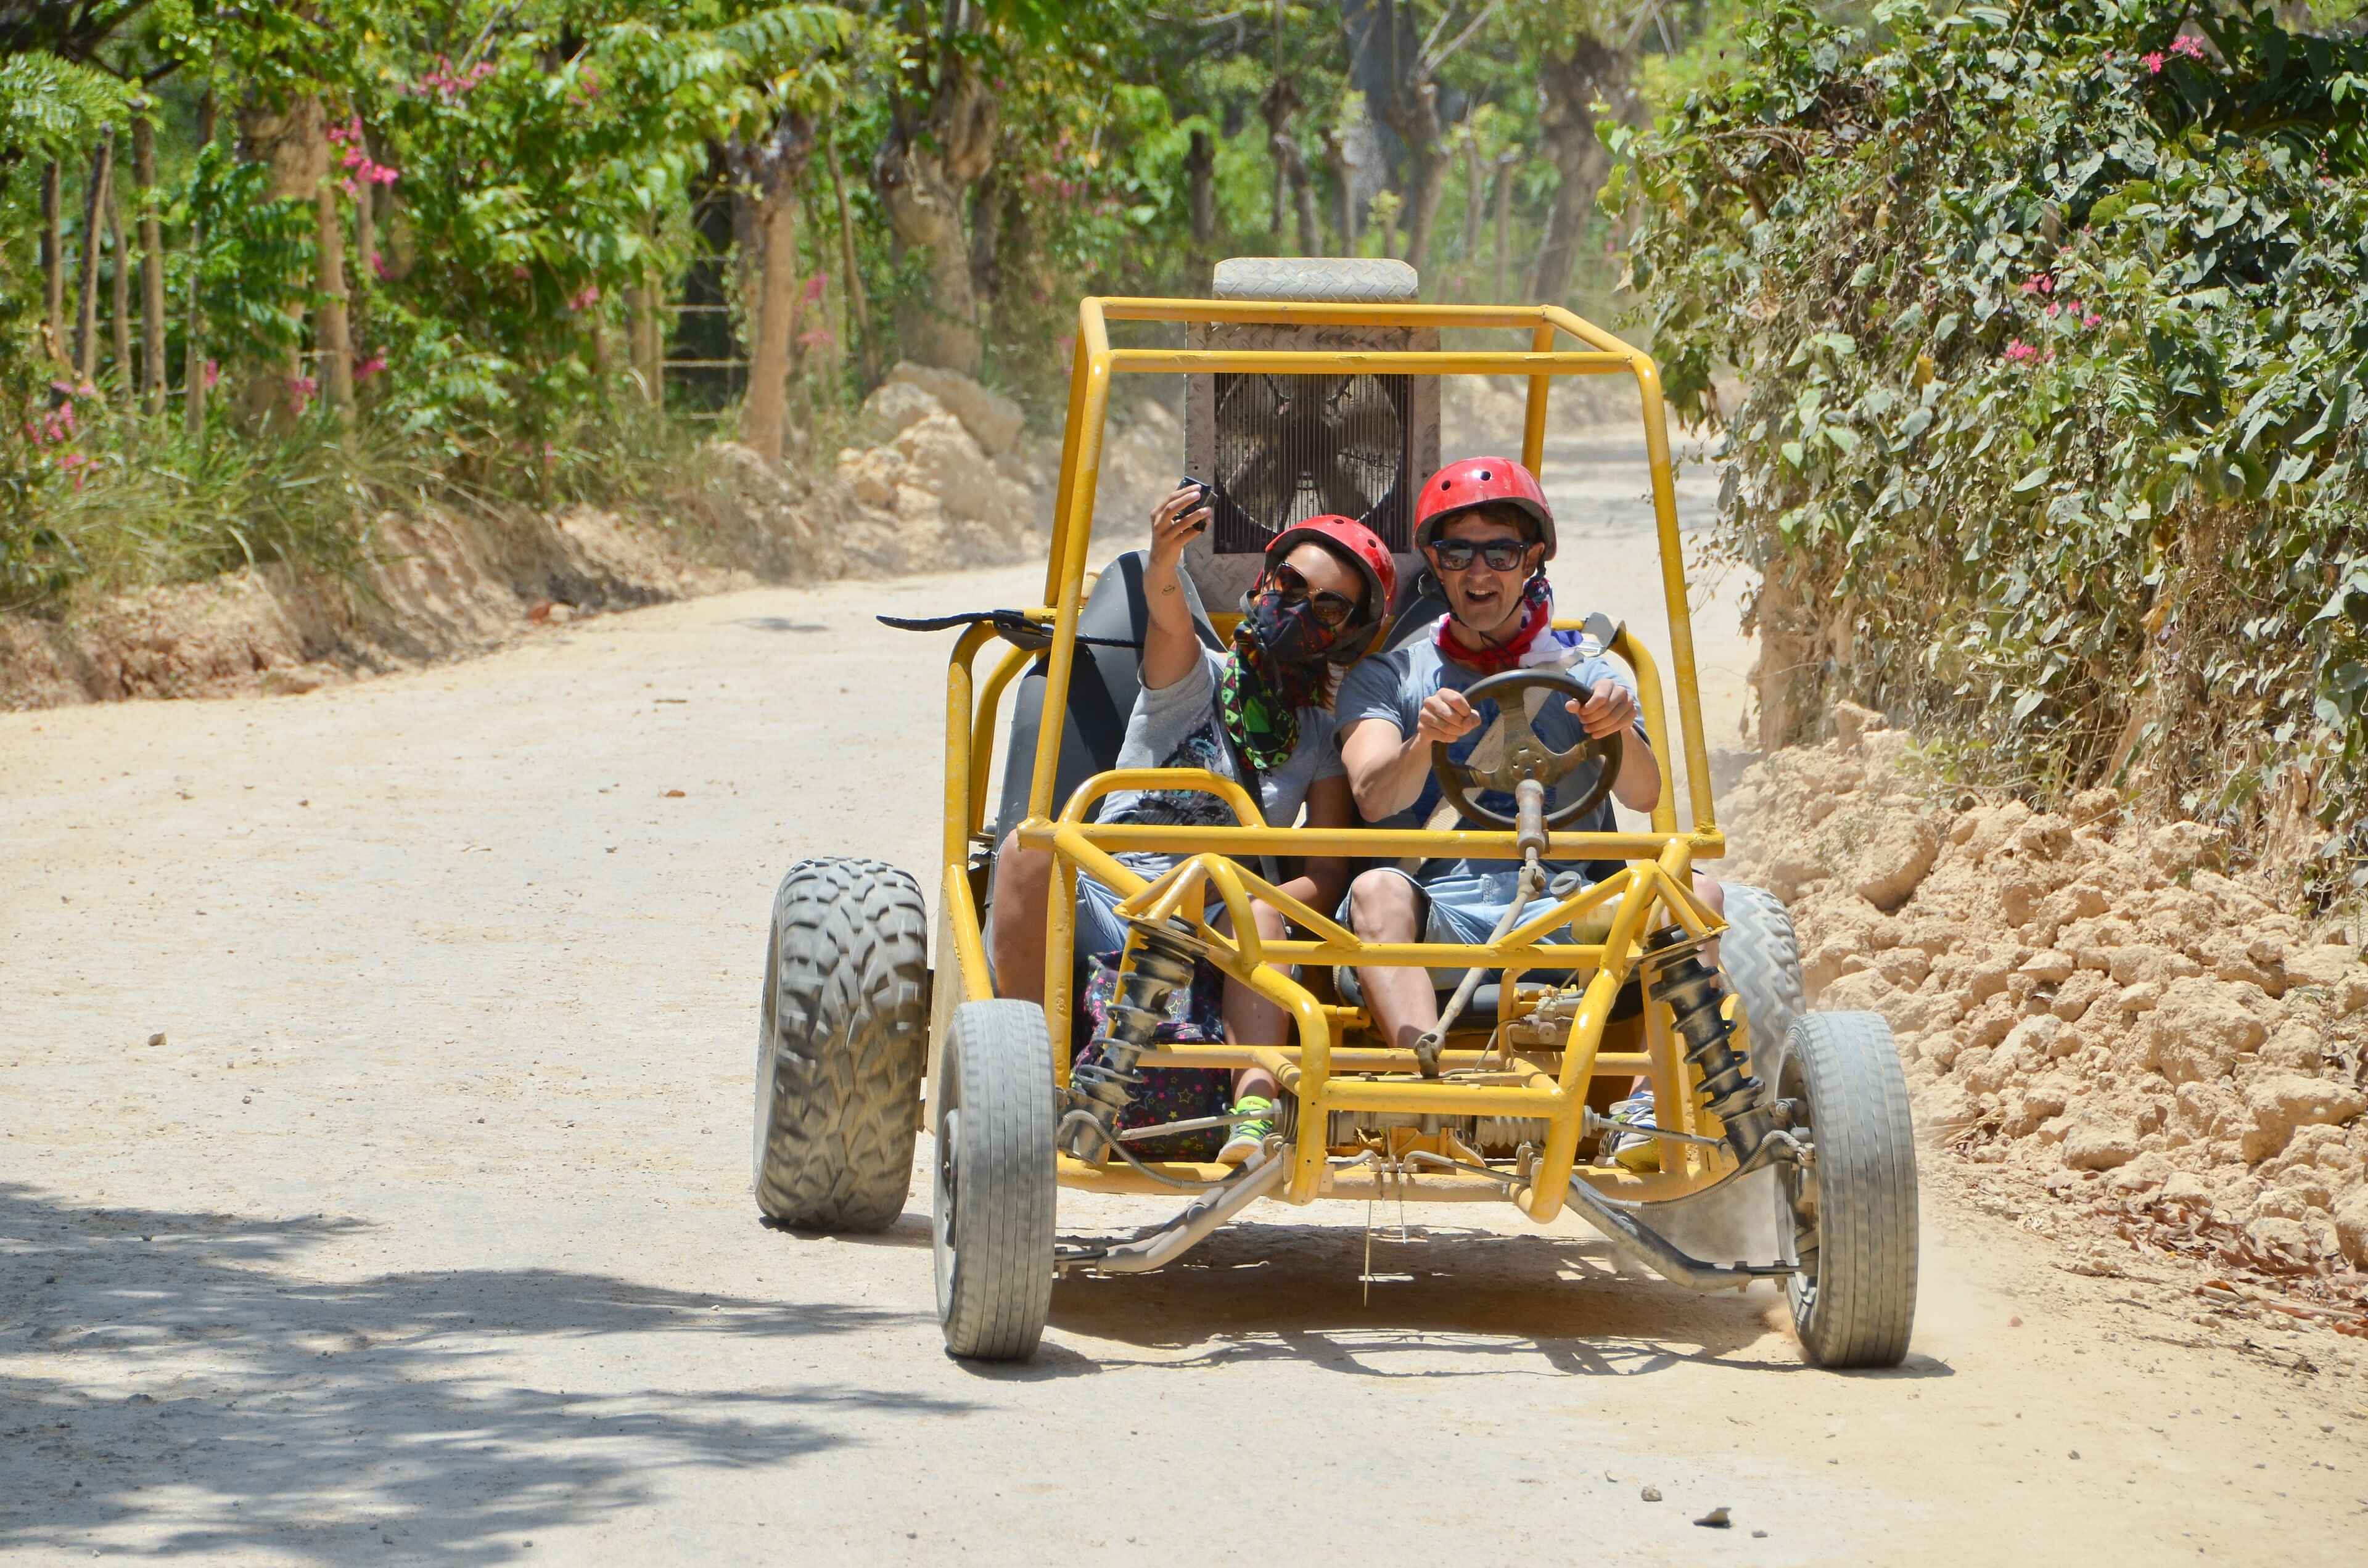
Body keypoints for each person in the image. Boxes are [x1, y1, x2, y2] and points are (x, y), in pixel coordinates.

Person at [1334, 456, 1722, 1169]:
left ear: (1532, 558)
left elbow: (1643, 794)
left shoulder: (1587, 666)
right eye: (1457, 553)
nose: (1478, 572)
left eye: (1500, 552)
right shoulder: (1392, 676)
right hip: (1443, 908)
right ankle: (1430, 1097)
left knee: (1697, 894)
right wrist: (1426, 739)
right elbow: (1373, 795)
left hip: (1568, 907)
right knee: (1375, 888)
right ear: (1435, 563)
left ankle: (1647, 1102)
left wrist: (1615, 727)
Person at [992, 488, 1397, 1164]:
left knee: (1261, 914)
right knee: (1028, 849)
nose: (1298, 609)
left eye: (1327, 606)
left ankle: (1255, 1109)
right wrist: (1163, 558)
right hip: (1112, 892)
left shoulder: (1322, 736)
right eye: (1291, 584)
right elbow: (1171, 618)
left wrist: (1228, 900)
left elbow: (1324, 875)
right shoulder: (1194, 681)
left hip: (1216, 912)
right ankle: (1032, 1071)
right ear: (1266, 580)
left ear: (1347, 631)